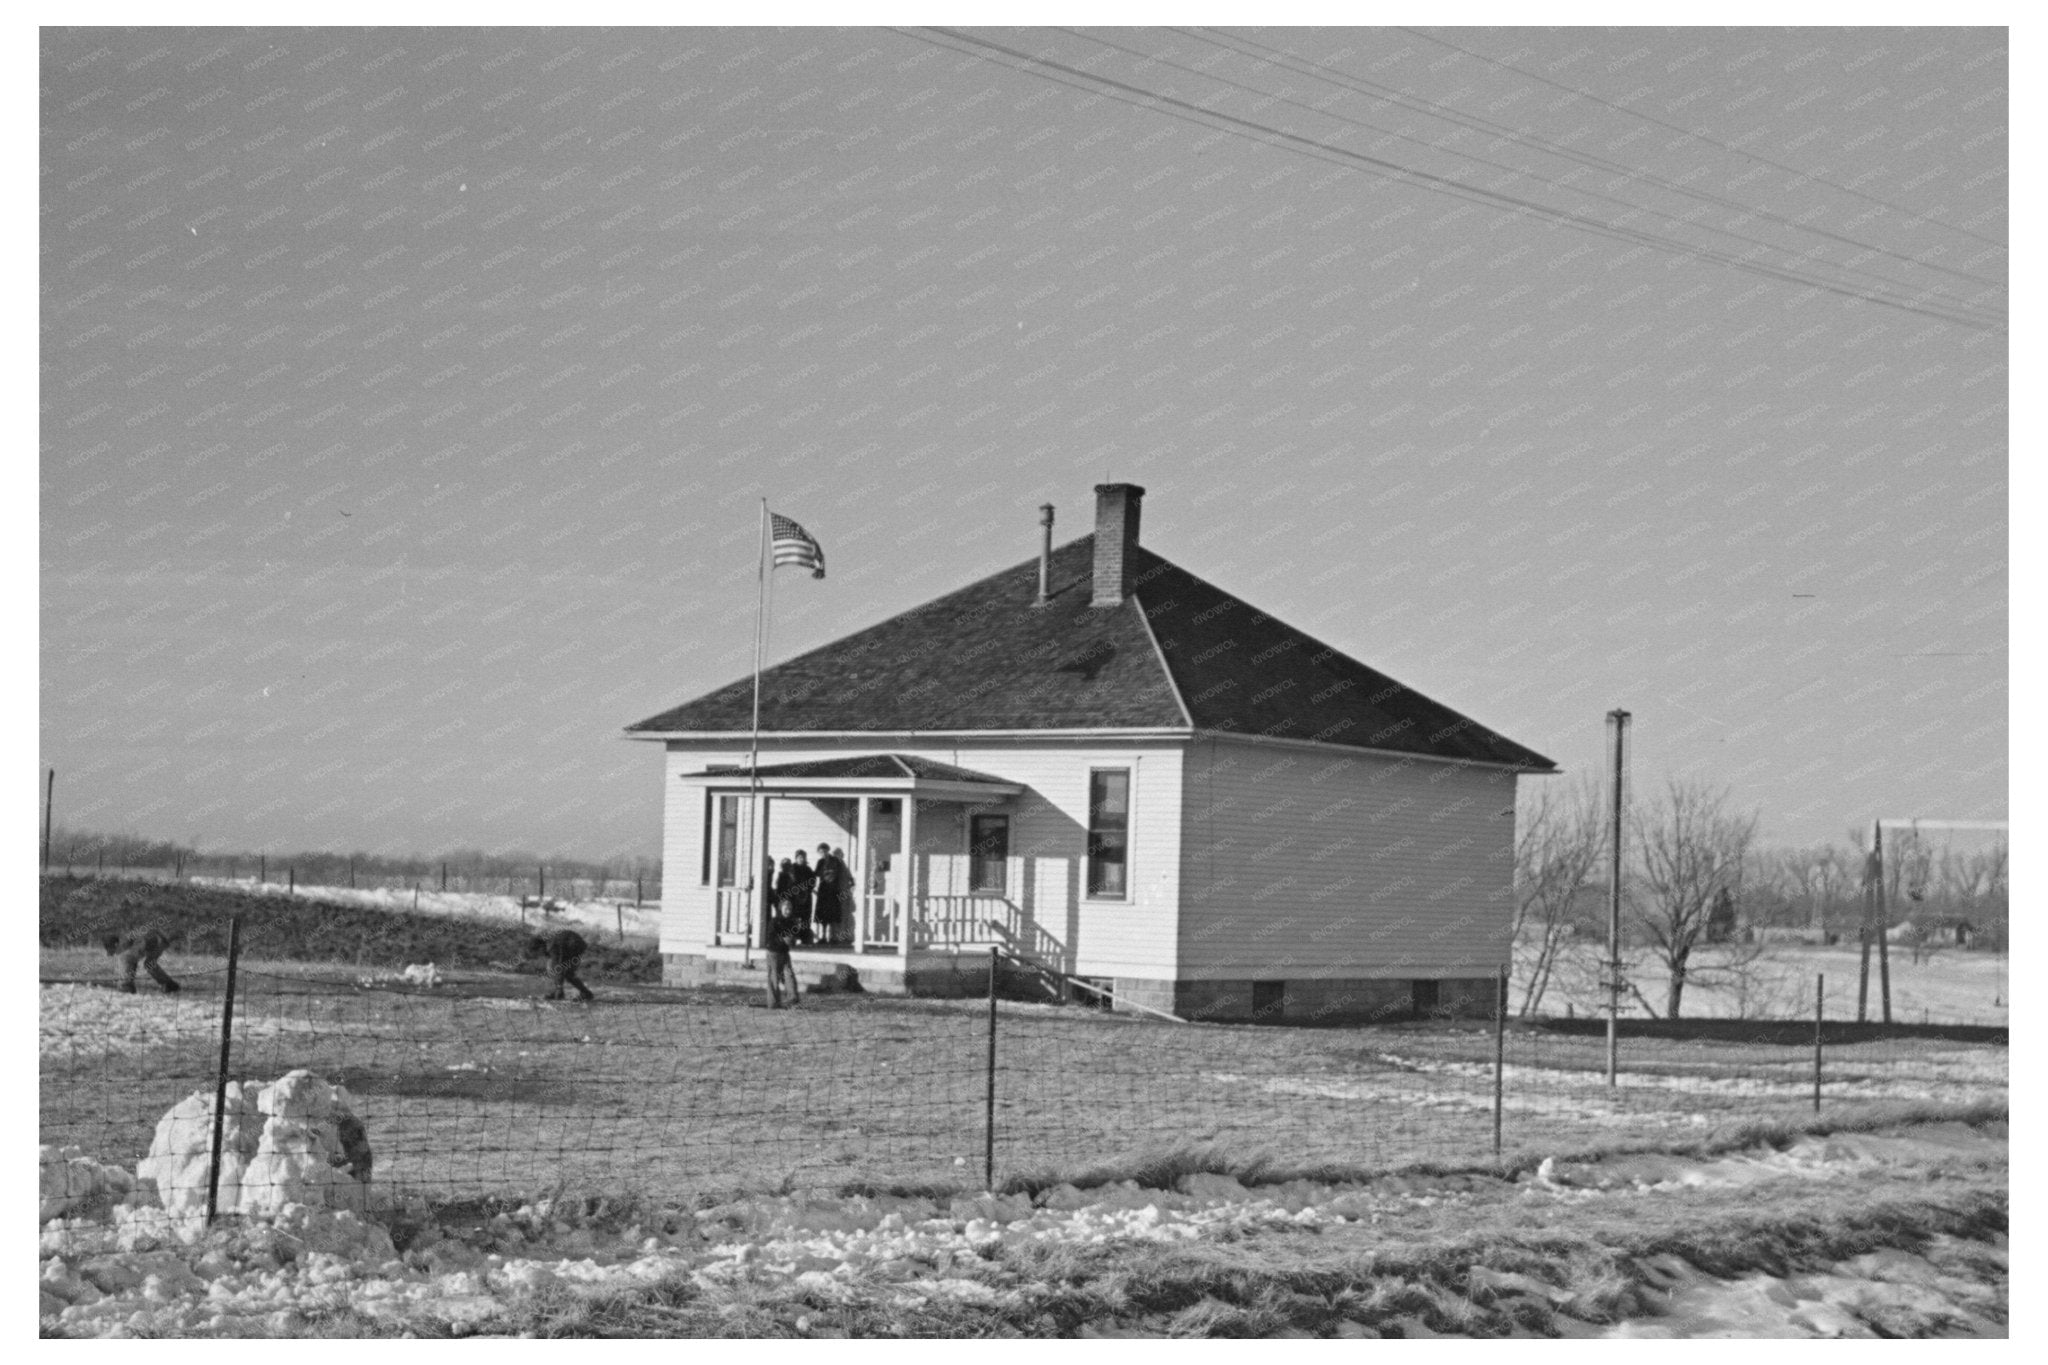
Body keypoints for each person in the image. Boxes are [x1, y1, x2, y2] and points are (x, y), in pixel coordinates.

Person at [526, 928, 595, 1002]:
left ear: (539, 948)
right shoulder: (548, 944)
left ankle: (585, 993)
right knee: (555, 968)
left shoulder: (552, 947)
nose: (539, 956)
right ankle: (583, 992)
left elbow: (558, 967)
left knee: (564, 971)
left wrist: (559, 987)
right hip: (571, 943)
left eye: (537, 954)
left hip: (573, 945)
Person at [102, 929, 179, 994]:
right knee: (149, 964)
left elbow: (131, 960)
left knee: (125, 958)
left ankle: (126, 986)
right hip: (158, 939)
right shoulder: (125, 941)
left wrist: (125, 978)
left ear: (115, 945)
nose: (113, 954)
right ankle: (169, 984)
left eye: (112, 951)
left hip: (155, 941)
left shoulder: (125, 942)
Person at [763, 896, 802, 1009]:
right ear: (781, 909)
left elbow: (794, 938)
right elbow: (770, 938)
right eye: (786, 908)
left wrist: (792, 940)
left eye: (790, 908)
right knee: (774, 977)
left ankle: (792, 999)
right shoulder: (775, 922)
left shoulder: (792, 922)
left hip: (785, 953)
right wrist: (782, 939)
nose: (788, 910)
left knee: (789, 975)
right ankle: (773, 1002)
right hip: (773, 952)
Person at [812, 842, 848, 945]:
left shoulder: (836, 861)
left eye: (824, 851)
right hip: (824, 890)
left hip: (833, 890)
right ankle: (823, 937)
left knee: (833, 914)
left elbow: (842, 875)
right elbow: (815, 875)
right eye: (820, 852)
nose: (823, 853)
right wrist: (813, 888)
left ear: (828, 850)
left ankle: (833, 937)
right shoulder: (820, 862)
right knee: (823, 915)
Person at [786, 849, 817, 944]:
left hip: (806, 897)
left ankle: (805, 937)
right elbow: (790, 882)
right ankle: (792, 937)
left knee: (806, 917)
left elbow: (812, 881)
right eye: (799, 857)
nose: (801, 859)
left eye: (803, 857)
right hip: (794, 897)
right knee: (793, 916)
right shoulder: (792, 869)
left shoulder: (808, 869)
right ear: (796, 858)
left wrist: (807, 890)